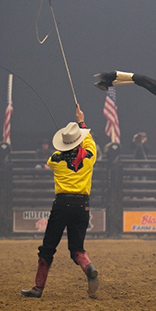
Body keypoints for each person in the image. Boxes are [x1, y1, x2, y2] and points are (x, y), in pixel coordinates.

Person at [20, 104, 99, 298]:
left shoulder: (55, 159)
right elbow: (89, 142)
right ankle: (87, 265)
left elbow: (56, 157)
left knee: (48, 247)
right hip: (82, 204)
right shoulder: (90, 156)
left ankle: (38, 288)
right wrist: (81, 121)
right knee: (77, 248)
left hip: (62, 204)